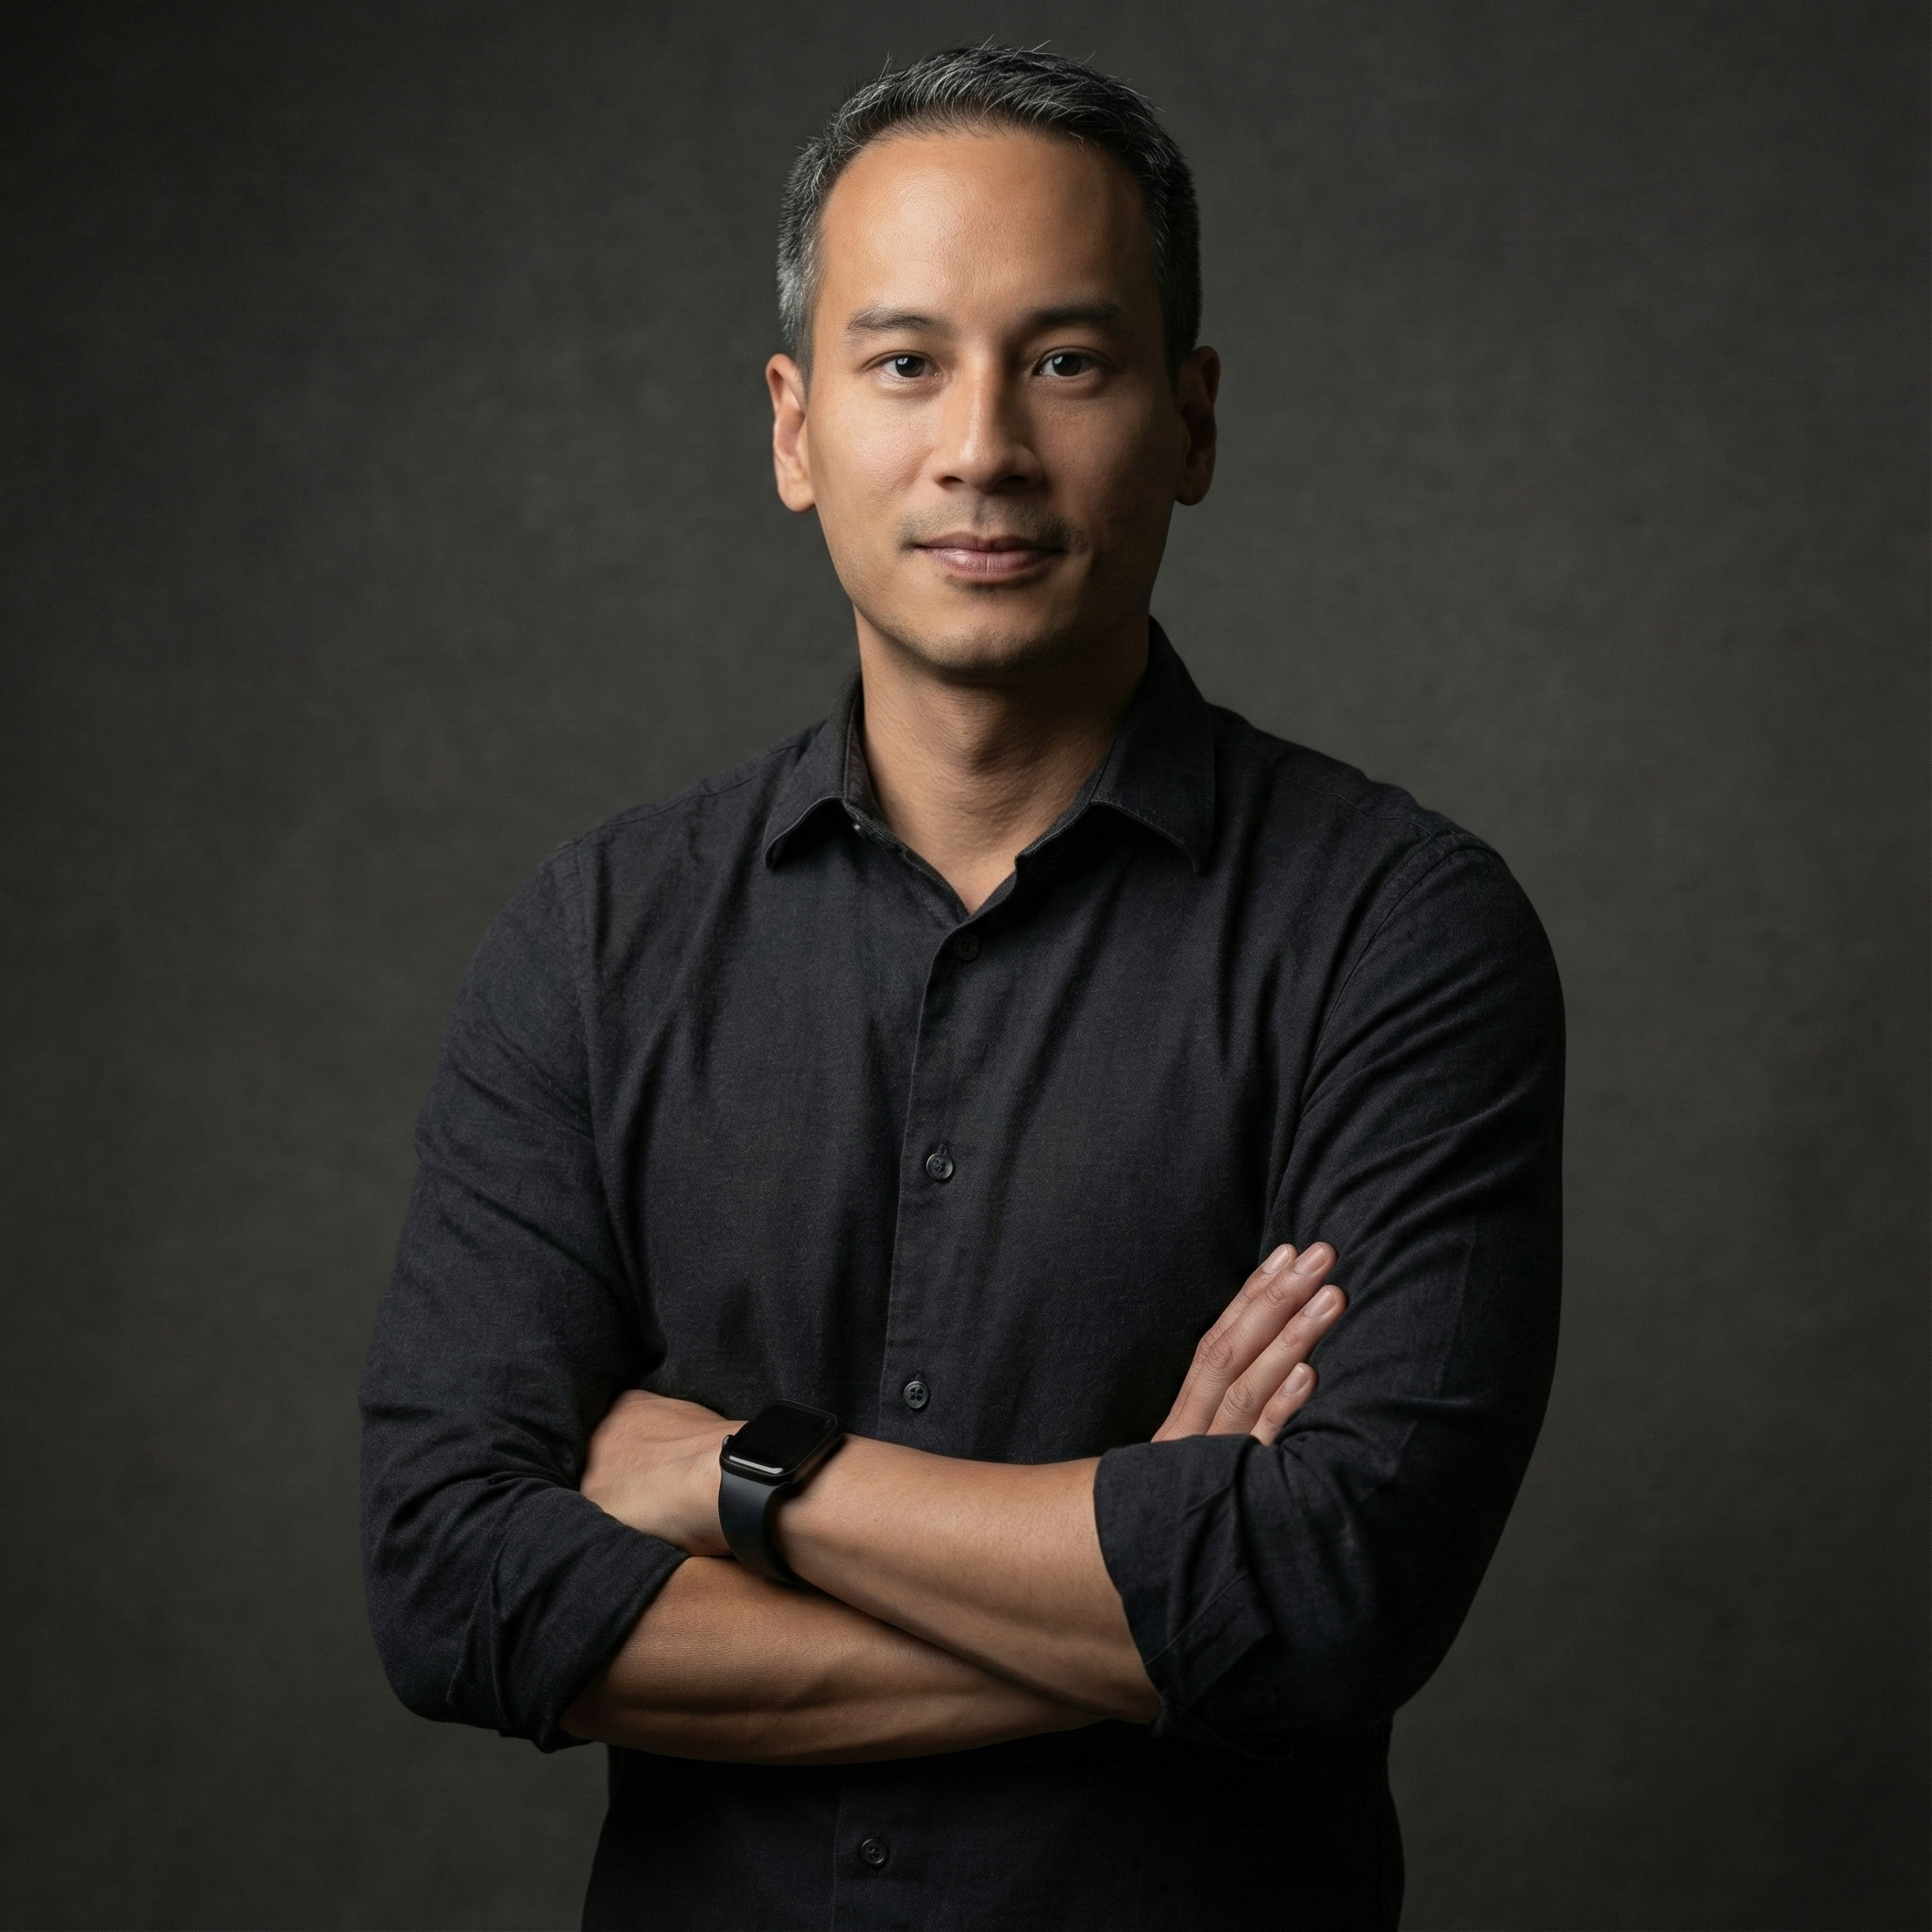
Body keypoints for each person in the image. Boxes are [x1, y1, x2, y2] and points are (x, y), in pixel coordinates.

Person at [360, 43, 1563, 1932]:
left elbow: (1337, 1585)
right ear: (792, 424)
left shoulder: (1394, 932)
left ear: (1191, 419)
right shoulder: (593, 941)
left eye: (1067, 360)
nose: (982, 444)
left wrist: (741, 1473)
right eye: (904, 360)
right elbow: (452, 1585)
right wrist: (1147, 1611)